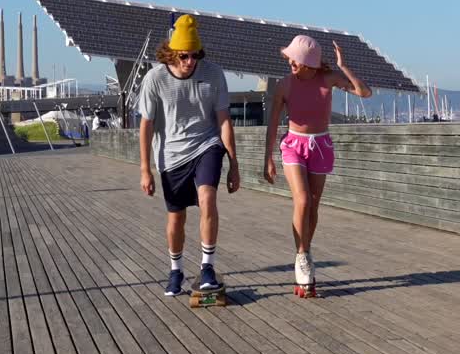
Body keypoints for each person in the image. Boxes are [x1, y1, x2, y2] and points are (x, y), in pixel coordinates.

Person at [138, 15, 241, 296]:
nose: (189, 62)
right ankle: (176, 270)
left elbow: (223, 121)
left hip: (206, 145)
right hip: (171, 156)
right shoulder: (154, 79)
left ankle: (207, 267)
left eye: (194, 55)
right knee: (176, 219)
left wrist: (234, 164)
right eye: (183, 56)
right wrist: (145, 169)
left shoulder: (214, 74)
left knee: (208, 197)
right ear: (171, 52)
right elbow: (146, 126)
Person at [264, 34, 372, 297]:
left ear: (309, 64)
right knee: (301, 201)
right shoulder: (284, 85)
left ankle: (307, 251)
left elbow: (364, 92)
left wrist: (343, 66)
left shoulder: (329, 79)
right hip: (294, 144)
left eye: (296, 60)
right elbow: (273, 122)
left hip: (321, 145)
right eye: (290, 58)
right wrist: (267, 157)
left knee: (313, 203)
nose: (290, 62)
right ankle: (302, 256)